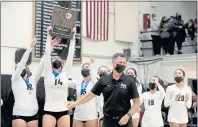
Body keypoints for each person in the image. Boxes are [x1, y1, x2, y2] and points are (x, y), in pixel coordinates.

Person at [67, 53, 140, 127]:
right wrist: (75, 103)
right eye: (120, 62)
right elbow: (89, 96)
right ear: (113, 63)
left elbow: (137, 103)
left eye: (124, 63)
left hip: (125, 120)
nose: (122, 64)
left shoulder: (129, 81)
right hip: (108, 121)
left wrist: (127, 116)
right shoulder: (104, 80)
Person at [11, 37, 59, 127]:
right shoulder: (15, 79)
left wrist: (50, 46)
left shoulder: (33, 79)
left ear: (27, 68)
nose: (20, 67)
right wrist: (30, 48)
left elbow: (42, 64)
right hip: (19, 114)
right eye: (17, 67)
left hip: (33, 114)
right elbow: (21, 63)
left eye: (22, 66)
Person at [42, 26, 76, 127]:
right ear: (51, 63)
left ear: (62, 63)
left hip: (63, 110)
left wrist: (73, 38)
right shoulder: (48, 73)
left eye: (58, 58)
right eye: (54, 58)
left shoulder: (65, 72)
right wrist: (49, 36)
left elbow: (70, 55)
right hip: (49, 110)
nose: (56, 59)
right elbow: (47, 53)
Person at [67, 59, 98, 127]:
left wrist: (91, 65)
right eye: (83, 67)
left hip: (91, 116)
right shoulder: (77, 82)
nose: (85, 68)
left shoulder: (94, 82)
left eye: (87, 67)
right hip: (78, 115)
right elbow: (64, 82)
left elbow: (95, 80)